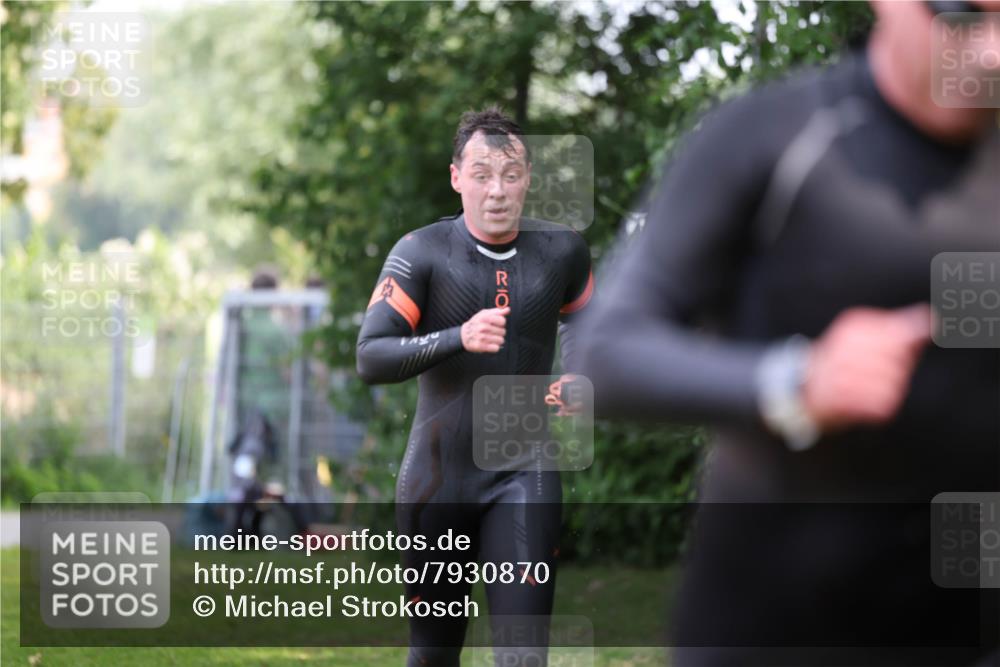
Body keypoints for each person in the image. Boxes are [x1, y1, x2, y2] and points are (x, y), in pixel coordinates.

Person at [576, 2, 999, 665]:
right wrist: (795, 380)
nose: (991, 51)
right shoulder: (778, 136)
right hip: (768, 633)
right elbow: (605, 352)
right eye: (961, 12)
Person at [356, 106, 593, 666]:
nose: (497, 190)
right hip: (438, 481)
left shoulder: (564, 252)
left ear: (528, 178)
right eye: (482, 174)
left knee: (522, 655)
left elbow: (587, 326)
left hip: (525, 472)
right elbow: (371, 356)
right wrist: (456, 336)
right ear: (457, 176)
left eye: (511, 175)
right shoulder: (422, 252)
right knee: (435, 653)